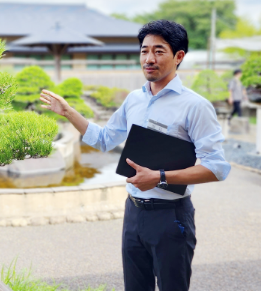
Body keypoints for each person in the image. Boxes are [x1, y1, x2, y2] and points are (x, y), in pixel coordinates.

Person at [40, 20, 230, 291]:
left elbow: (218, 168)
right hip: (134, 214)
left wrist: (160, 177)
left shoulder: (195, 106)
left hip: (171, 217)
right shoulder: (133, 100)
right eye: (144, 51)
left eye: (159, 51)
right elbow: (104, 140)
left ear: (179, 57)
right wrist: (69, 112)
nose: (149, 59)